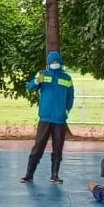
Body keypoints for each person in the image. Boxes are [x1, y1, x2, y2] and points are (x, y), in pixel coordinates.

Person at [22, 50, 74, 184]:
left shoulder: (67, 78)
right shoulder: (42, 75)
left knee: (58, 148)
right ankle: (29, 174)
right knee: (38, 147)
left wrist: (66, 111)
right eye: (52, 62)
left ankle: (55, 175)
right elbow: (30, 88)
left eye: (56, 61)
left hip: (60, 120)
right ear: (48, 63)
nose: (54, 63)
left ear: (60, 62)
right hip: (45, 118)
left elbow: (70, 97)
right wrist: (36, 81)